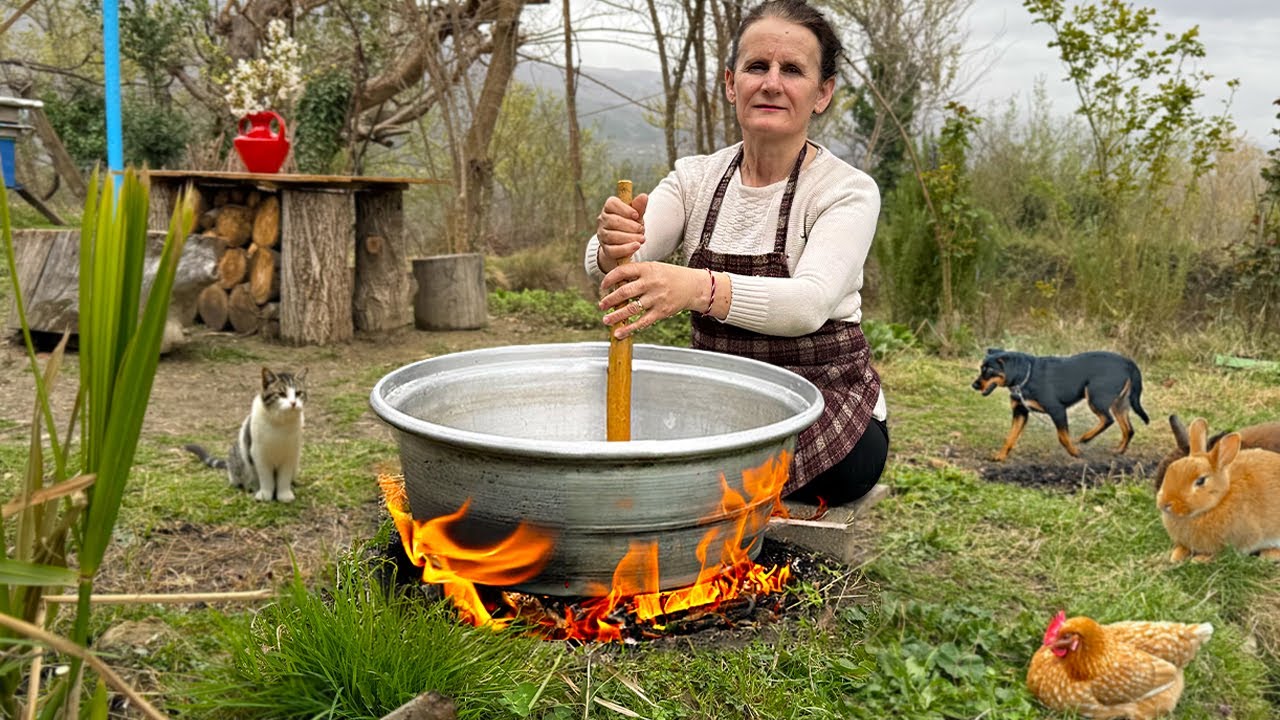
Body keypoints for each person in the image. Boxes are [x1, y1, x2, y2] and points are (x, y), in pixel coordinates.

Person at [584, 0, 888, 507]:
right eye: (756, 67)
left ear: (823, 93)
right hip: (721, 406)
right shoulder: (694, 178)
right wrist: (613, 244)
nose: (771, 82)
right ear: (731, 84)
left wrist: (695, 287)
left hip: (825, 411)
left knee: (695, 484)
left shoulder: (846, 190)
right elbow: (616, 257)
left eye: (792, 69)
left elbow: (807, 304)